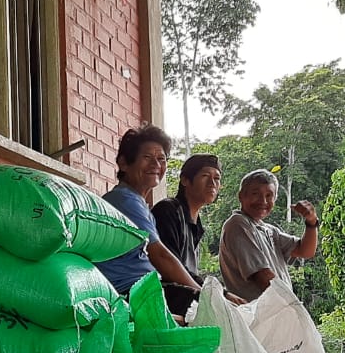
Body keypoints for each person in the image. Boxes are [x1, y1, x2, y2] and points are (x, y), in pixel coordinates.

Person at [94, 126, 202, 299]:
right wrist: (202, 294)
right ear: (123, 163)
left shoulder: (137, 203)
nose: (156, 165)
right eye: (147, 157)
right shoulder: (124, 201)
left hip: (145, 289)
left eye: (161, 158)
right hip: (131, 293)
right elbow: (160, 256)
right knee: (211, 309)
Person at [218, 168, 319, 302]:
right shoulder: (238, 224)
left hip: (277, 310)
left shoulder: (269, 230)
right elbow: (263, 277)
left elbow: (305, 251)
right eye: (255, 194)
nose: (263, 201)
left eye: (269, 195)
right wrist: (292, 307)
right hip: (259, 315)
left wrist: (311, 222)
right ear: (241, 196)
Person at [152, 153, 221, 316]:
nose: (212, 183)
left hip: (183, 293)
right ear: (185, 180)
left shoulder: (196, 224)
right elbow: (170, 268)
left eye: (217, 178)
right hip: (163, 295)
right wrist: (213, 294)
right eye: (205, 176)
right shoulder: (168, 211)